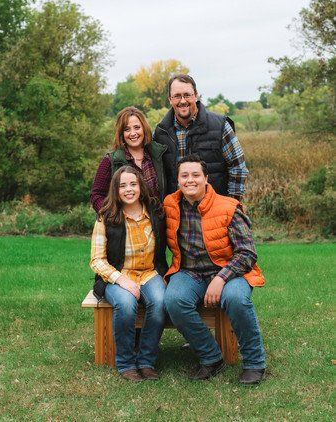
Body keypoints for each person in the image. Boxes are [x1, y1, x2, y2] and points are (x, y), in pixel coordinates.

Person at [163, 155, 266, 384]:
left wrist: (221, 278)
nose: (190, 180)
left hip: (229, 271)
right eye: (185, 175)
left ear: (206, 178)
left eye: (196, 175)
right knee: (173, 300)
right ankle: (211, 356)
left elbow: (247, 253)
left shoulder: (228, 207)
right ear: (178, 180)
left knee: (236, 299)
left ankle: (255, 363)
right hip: (189, 271)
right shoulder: (169, 204)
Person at [90, 166, 168, 382]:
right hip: (117, 275)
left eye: (133, 184)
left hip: (150, 273)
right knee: (125, 304)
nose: (129, 189)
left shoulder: (154, 212)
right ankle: (126, 363)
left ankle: (146, 361)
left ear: (141, 186)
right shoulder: (106, 217)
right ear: (115, 190)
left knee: (160, 301)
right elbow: (97, 260)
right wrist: (122, 280)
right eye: (122, 185)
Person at [153, 74, 248, 200]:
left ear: (195, 95)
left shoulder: (220, 126)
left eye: (187, 95)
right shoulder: (161, 132)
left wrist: (232, 204)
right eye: (177, 96)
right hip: (176, 211)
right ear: (170, 99)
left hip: (214, 209)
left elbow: (238, 167)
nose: (182, 101)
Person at [91, 106, 167, 212]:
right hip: (125, 225)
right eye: (127, 129)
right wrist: (113, 216)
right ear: (121, 134)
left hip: (157, 224)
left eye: (137, 127)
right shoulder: (110, 161)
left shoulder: (158, 155)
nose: (133, 133)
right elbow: (96, 196)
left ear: (144, 129)